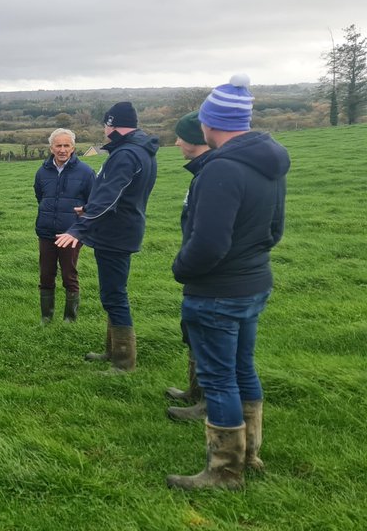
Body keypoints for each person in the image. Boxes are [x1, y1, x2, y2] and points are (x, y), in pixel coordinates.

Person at [167, 75, 289, 490]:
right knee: (242, 369)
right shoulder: (269, 160)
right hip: (254, 283)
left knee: (219, 379)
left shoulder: (221, 169)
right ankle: (250, 453)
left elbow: (208, 244)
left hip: (217, 291)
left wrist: (181, 267)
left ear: (210, 123)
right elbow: (275, 230)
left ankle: (224, 471)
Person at [55, 102, 158, 373]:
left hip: (116, 233)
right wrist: (89, 209)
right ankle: (112, 351)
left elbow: (111, 194)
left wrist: (79, 227)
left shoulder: (126, 155)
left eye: (105, 125)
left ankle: (123, 362)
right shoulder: (139, 150)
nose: (104, 130)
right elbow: (119, 196)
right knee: (112, 292)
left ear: (112, 125)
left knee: (114, 295)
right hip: (119, 227)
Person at [165, 111, 212, 422]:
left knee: (211, 337)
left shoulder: (214, 174)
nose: (178, 141)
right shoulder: (203, 172)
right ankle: (195, 391)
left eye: (181, 136)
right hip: (201, 274)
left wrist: (185, 264)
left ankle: (208, 404)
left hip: (212, 275)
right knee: (194, 330)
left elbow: (210, 236)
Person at [34, 128, 93, 324]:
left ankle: (70, 318)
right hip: (46, 232)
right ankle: (46, 317)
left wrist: (79, 227)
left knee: (69, 274)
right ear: (51, 148)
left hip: (71, 233)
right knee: (46, 275)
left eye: (66, 145)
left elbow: (92, 204)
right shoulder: (42, 172)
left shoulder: (85, 172)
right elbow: (40, 196)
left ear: (73, 147)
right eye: (58, 145)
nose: (62, 149)